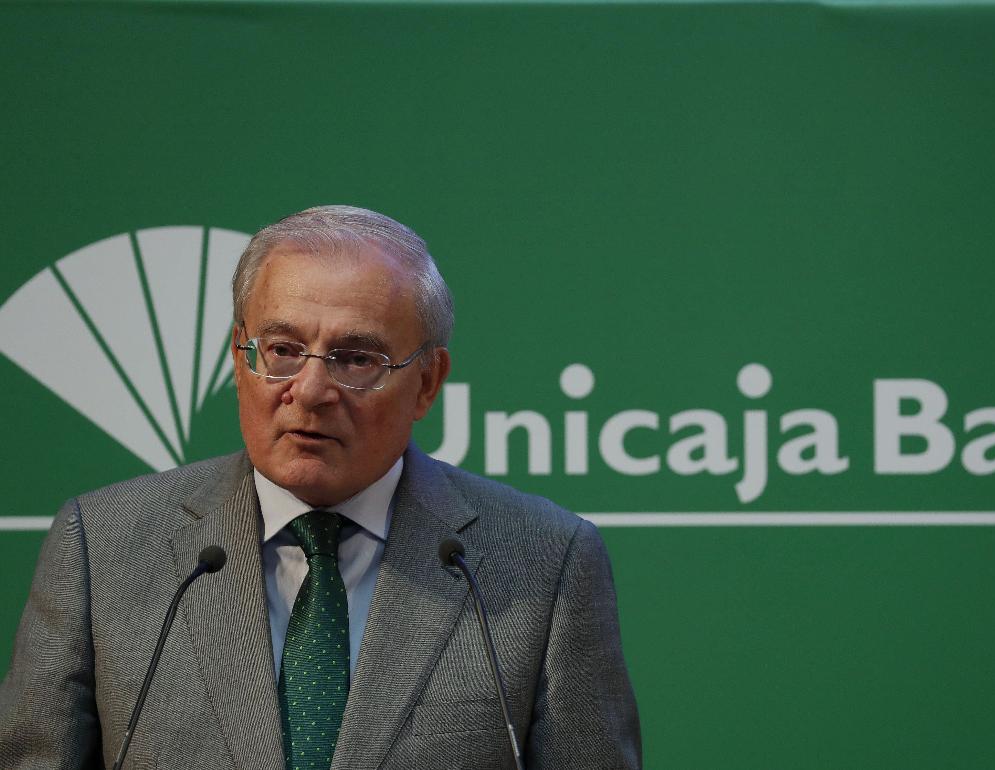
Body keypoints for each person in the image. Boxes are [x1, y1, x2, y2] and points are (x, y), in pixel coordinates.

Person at [0, 205, 641, 769]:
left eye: (356, 359)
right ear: (239, 356)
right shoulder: (105, 545)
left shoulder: (543, 562)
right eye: (282, 349)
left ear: (427, 382)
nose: (309, 391)